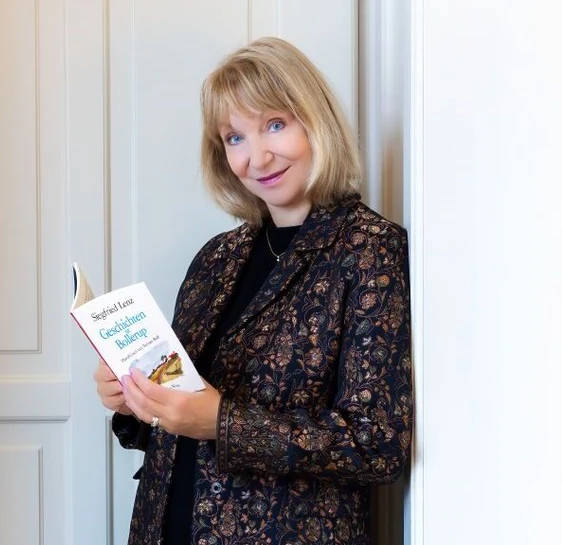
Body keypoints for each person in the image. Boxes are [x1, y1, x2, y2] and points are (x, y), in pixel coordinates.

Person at [93, 36, 413, 544]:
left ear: (316, 120)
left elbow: (376, 445)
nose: (256, 157)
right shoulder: (216, 257)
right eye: (234, 138)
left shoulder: (369, 250)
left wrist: (222, 423)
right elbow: (179, 412)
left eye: (275, 125)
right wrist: (138, 402)